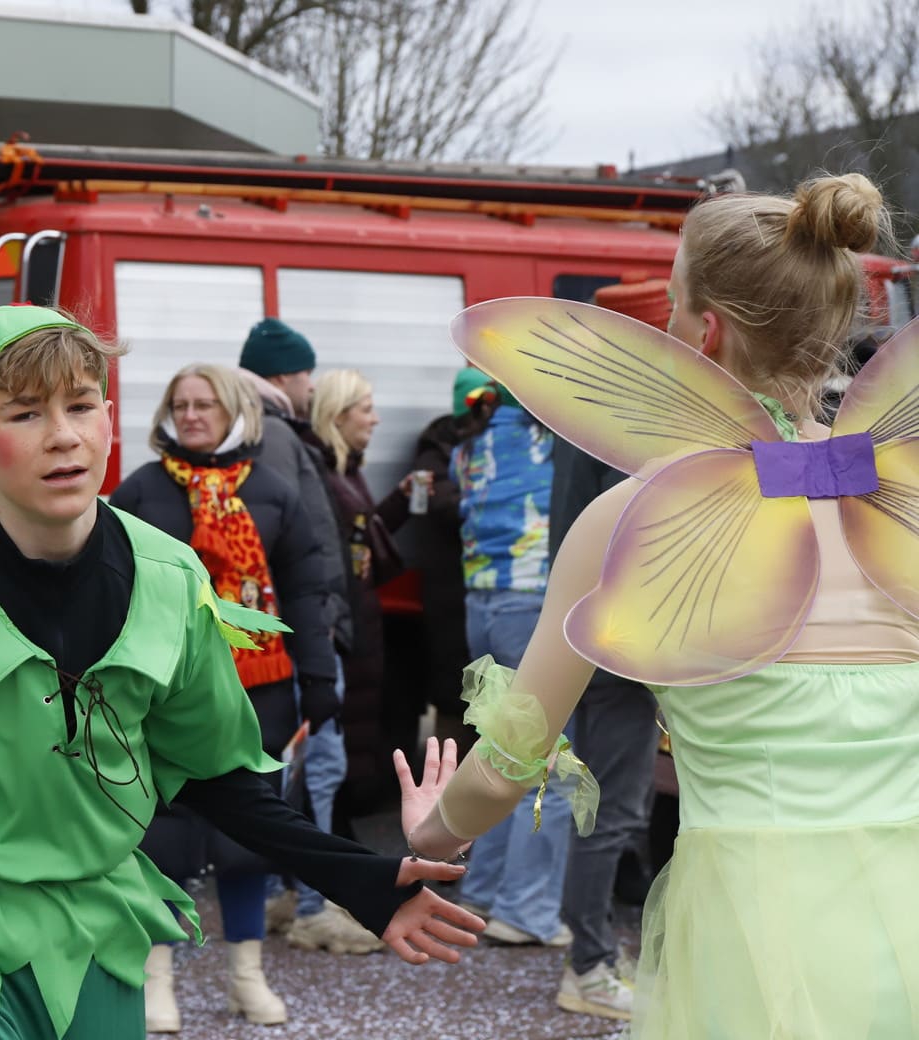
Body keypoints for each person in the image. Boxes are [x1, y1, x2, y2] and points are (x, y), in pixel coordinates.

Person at [0, 306, 482, 1040]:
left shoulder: (172, 582)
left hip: (98, 938)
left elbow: (221, 779)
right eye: (25, 413)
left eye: (81, 405)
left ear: (110, 424)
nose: (62, 435)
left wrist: (364, 881)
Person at [403, 172, 919, 1038]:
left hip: (757, 929)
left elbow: (509, 764)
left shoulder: (629, 521)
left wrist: (430, 835)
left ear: (703, 331)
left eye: (673, 305)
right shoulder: (905, 500)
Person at [108, 362, 344, 1028]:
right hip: (165, 694)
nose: (189, 415)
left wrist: (319, 679)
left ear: (237, 411)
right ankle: (156, 980)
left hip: (257, 694)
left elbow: (306, 593)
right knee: (160, 837)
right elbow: (107, 590)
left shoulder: (274, 492)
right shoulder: (141, 490)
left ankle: (246, 978)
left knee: (249, 837)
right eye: (179, 404)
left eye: (204, 404)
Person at [545, 279, 672, 1022]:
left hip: (604, 639)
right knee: (613, 810)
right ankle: (589, 965)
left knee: (609, 806)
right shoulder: (622, 420)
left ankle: (592, 956)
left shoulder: (589, 408)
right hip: (619, 647)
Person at [235, 319, 373, 956]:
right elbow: (299, 545)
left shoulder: (257, 431)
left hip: (282, 630)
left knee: (283, 767)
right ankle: (314, 907)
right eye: (305, 373)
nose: (311, 386)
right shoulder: (277, 436)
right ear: (284, 376)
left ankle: (281, 893)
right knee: (315, 767)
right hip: (301, 630)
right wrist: (322, 627)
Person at [446, 369, 573, 948]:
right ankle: (525, 911)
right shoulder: (550, 436)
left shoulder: (468, 447)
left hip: (481, 604)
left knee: (499, 752)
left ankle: (485, 888)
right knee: (550, 764)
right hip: (532, 604)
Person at [291, 369, 404, 957]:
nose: (375, 418)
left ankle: (302, 893)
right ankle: (311, 904)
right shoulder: (325, 476)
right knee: (319, 768)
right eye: (365, 407)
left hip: (348, 634)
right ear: (336, 415)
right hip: (333, 637)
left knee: (322, 767)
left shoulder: (344, 472)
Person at [380, 370, 497, 756]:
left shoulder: (486, 446)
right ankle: (448, 780)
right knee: (455, 699)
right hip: (451, 596)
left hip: (481, 593)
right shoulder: (437, 449)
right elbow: (446, 506)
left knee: (491, 698)